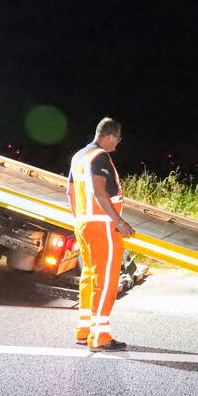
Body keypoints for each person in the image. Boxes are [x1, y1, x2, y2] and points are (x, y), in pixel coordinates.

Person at [66, 117, 135, 351]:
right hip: (103, 225)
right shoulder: (100, 157)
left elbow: (70, 191)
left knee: (89, 276)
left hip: (84, 224)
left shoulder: (79, 157)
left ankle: (84, 329)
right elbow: (98, 192)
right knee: (106, 279)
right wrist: (119, 221)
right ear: (109, 136)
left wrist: (80, 219)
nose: (118, 144)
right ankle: (101, 336)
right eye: (118, 139)